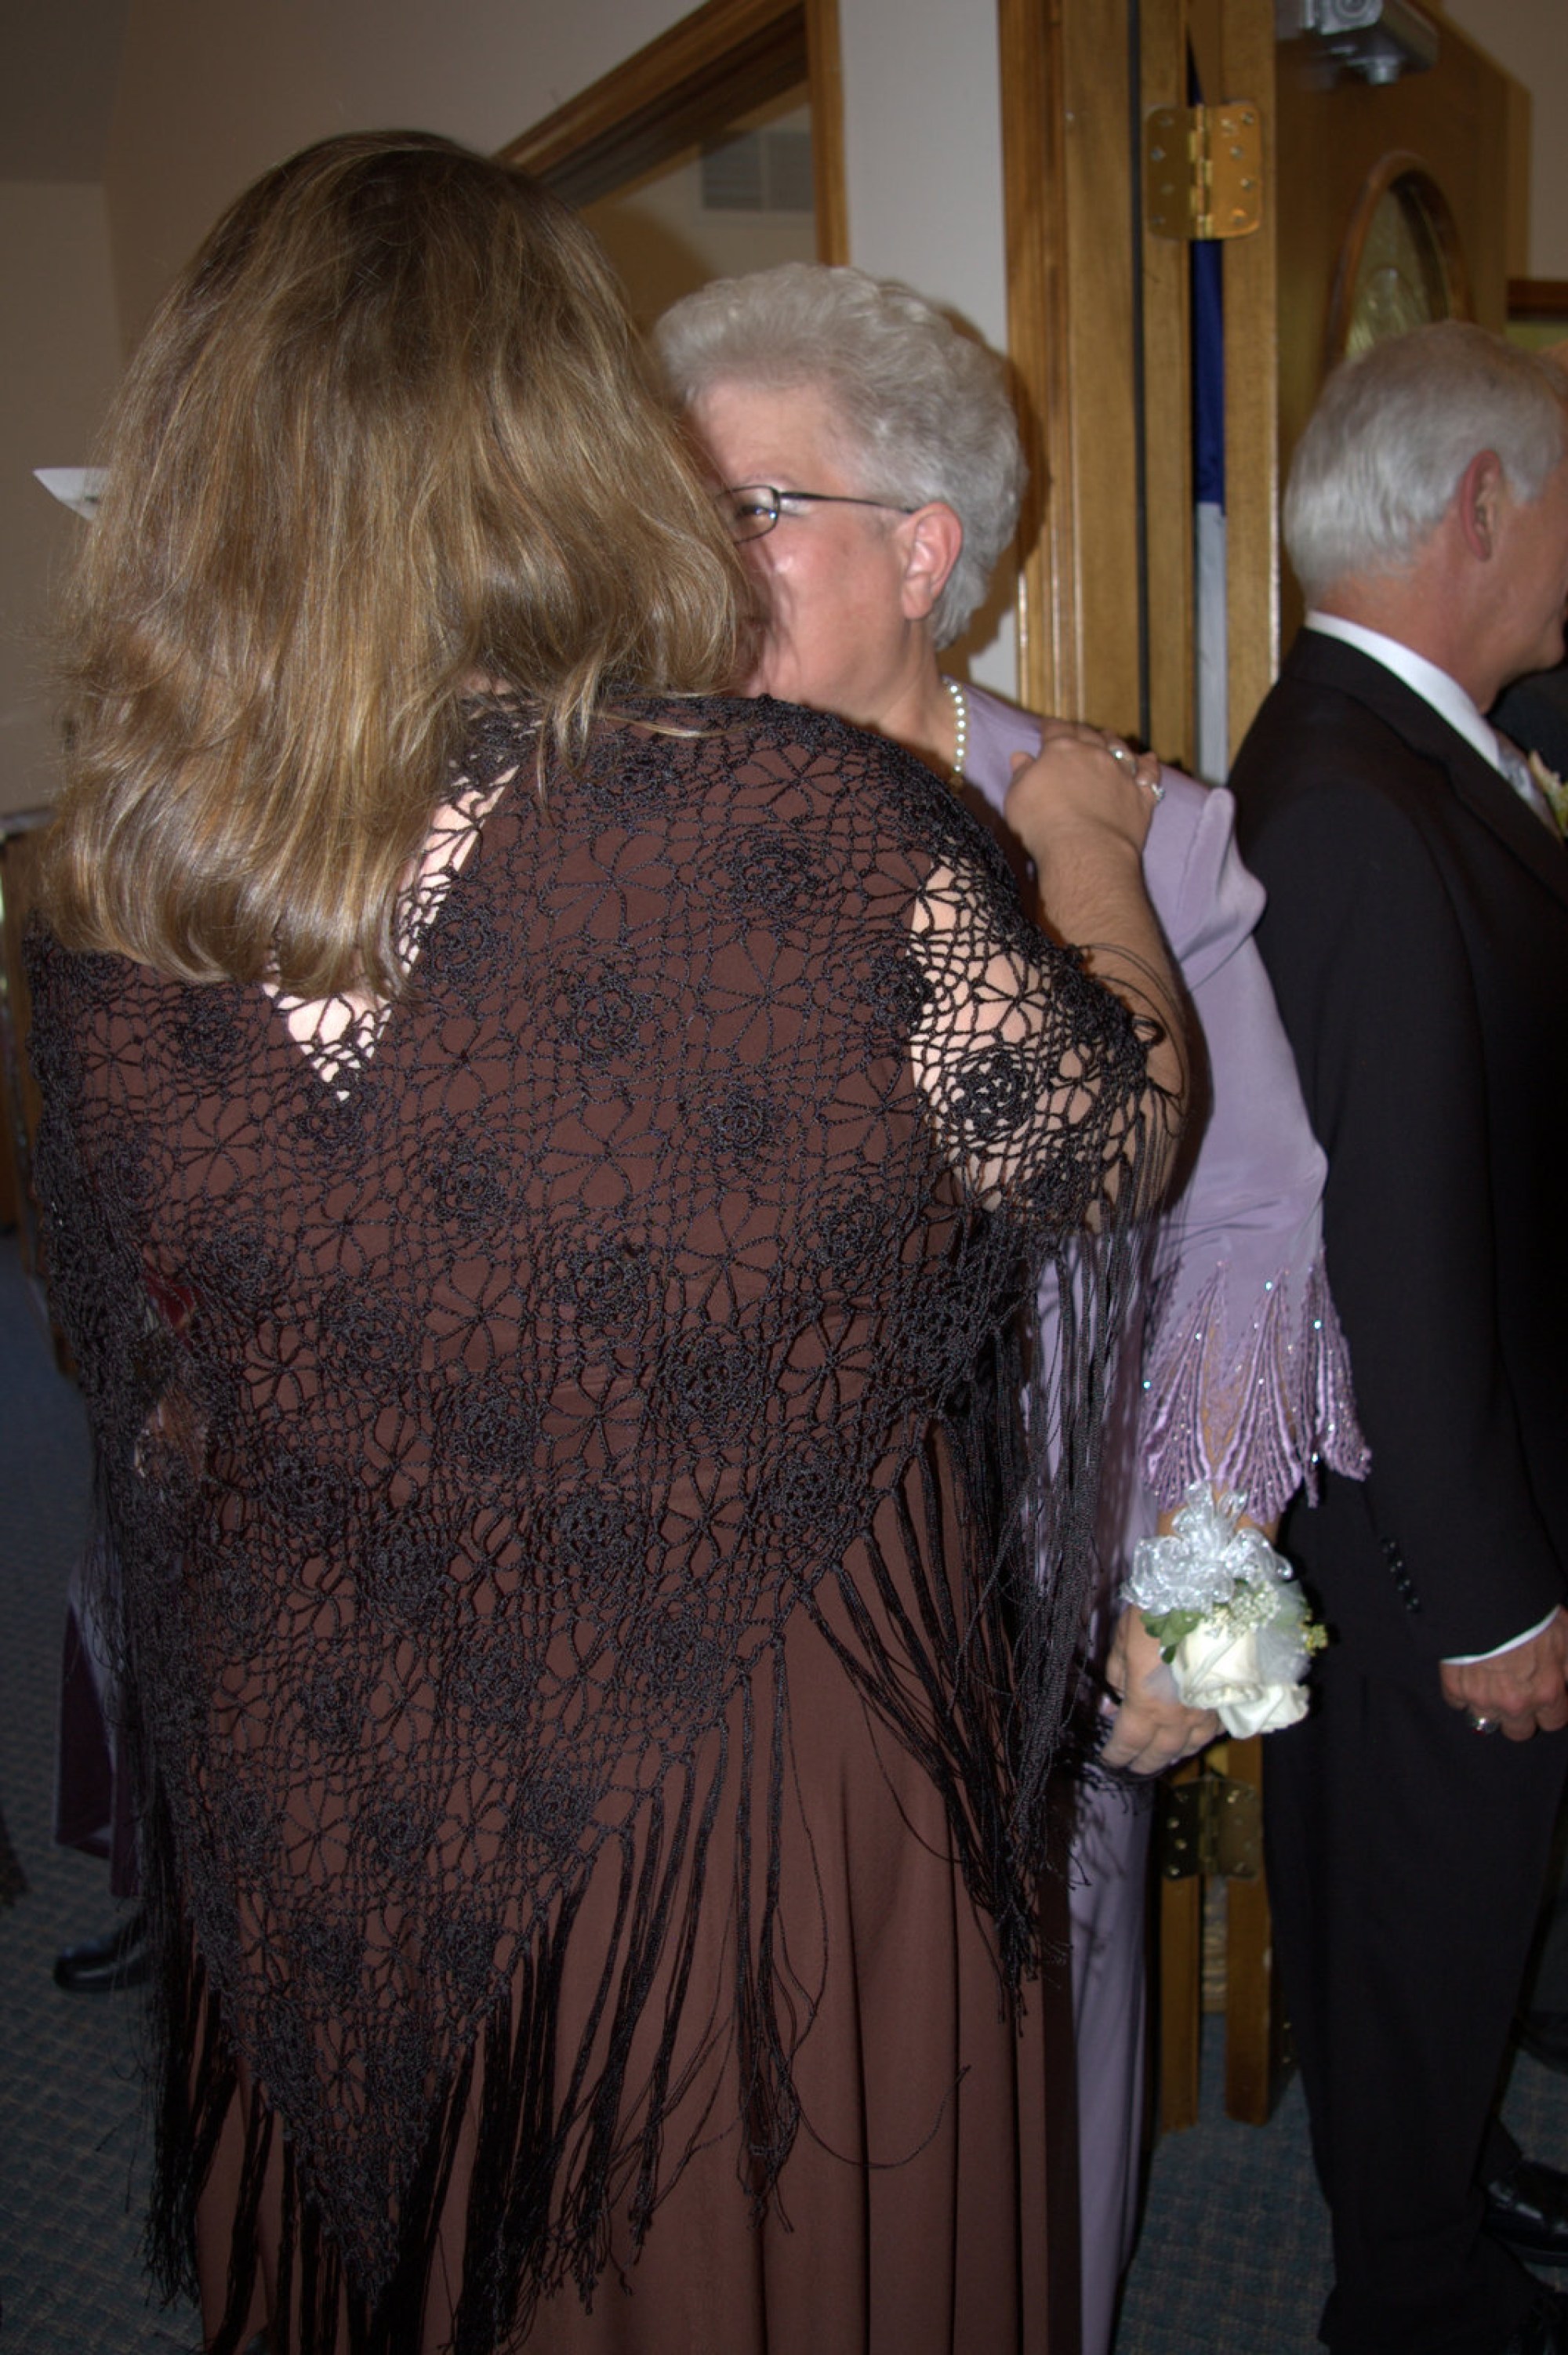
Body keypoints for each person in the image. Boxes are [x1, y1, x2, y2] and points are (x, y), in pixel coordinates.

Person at [28, 134, 1188, 2355]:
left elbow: (152, 1375)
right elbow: (1107, 1137)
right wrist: (1081, 845)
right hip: (743, 1753)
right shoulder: (805, 826)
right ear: (577, 448)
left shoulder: (108, 897)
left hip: (340, 1736)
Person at [655, 261, 1367, 2355]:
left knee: (1016, 2093)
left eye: (749, 509)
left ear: (923, 549)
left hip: (1007, 1605)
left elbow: (1253, 1222)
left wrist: (1204, 1584)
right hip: (701, 1618)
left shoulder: (1132, 834)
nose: (691, 560)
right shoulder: (637, 823)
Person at [1229, 320, 1568, 2355]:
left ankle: (1432, 2183)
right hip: (1429, 1516)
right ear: (1482, 506)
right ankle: (1415, 2292)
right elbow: (1390, 1253)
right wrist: (1491, 1594)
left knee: (1420, 1918)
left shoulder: (1404, 743)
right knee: (1421, 1907)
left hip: (1438, 1481)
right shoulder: (1359, 796)